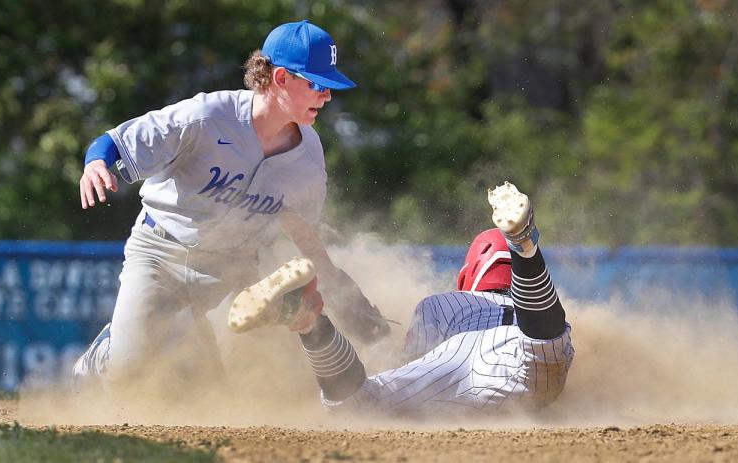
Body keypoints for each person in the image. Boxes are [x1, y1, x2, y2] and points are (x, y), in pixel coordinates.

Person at [72, 20, 390, 393]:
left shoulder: (309, 154)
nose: (327, 96)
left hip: (233, 270)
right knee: (129, 373)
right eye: (317, 84)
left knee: (241, 386)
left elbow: (302, 232)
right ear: (282, 78)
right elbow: (115, 140)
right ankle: (106, 352)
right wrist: (96, 164)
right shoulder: (206, 117)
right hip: (161, 254)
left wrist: (340, 290)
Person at [228, 182, 574, 416]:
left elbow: (405, 363)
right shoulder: (529, 306)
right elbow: (544, 338)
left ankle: (307, 321)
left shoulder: (443, 303)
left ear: (470, 274)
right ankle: (525, 247)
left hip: (455, 362)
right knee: (545, 342)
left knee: (357, 403)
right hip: (529, 337)